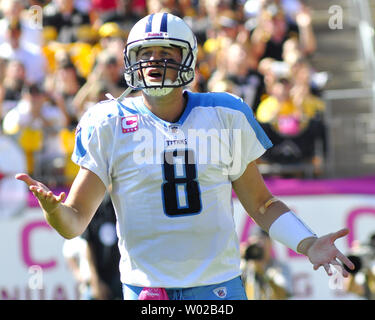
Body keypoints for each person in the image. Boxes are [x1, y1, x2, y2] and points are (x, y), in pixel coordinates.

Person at [15, 13, 354, 300]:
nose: (155, 62)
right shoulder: (108, 121)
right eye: (146, 53)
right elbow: (74, 222)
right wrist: (54, 211)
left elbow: (262, 205)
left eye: (167, 52)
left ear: (188, 58)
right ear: (131, 60)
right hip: (148, 288)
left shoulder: (225, 114)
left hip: (217, 286)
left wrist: (307, 243)